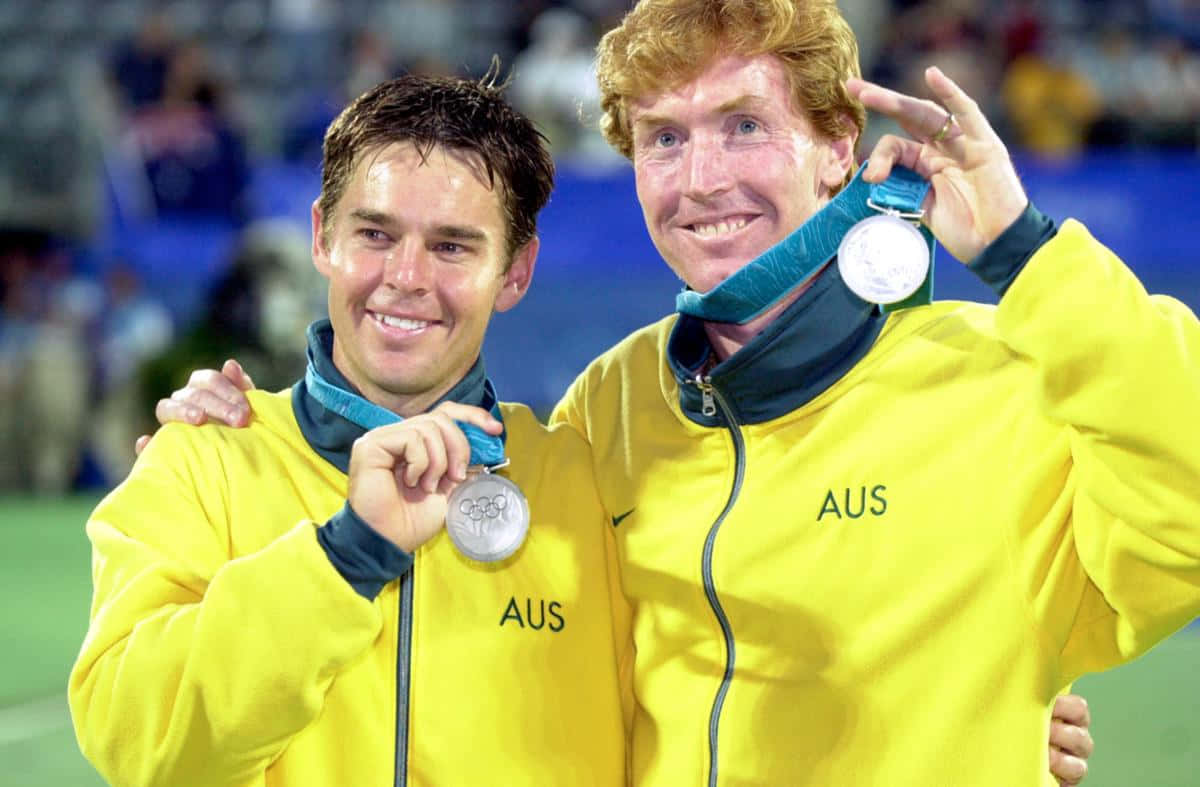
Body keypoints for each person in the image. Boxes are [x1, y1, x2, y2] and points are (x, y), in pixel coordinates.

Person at [145, 1, 1191, 784]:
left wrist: (1023, 253)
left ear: (838, 149)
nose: (699, 180)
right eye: (664, 137)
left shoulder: (1006, 385)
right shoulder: (611, 408)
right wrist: (251, 427)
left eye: (742, 124)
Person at [69, 71, 633, 787]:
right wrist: (346, 556)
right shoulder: (202, 461)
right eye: (375, 233)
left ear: (515, 272)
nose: (405, 276)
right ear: (321, 237)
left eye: (453, 247)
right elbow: (139, 744)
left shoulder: (585, 488)